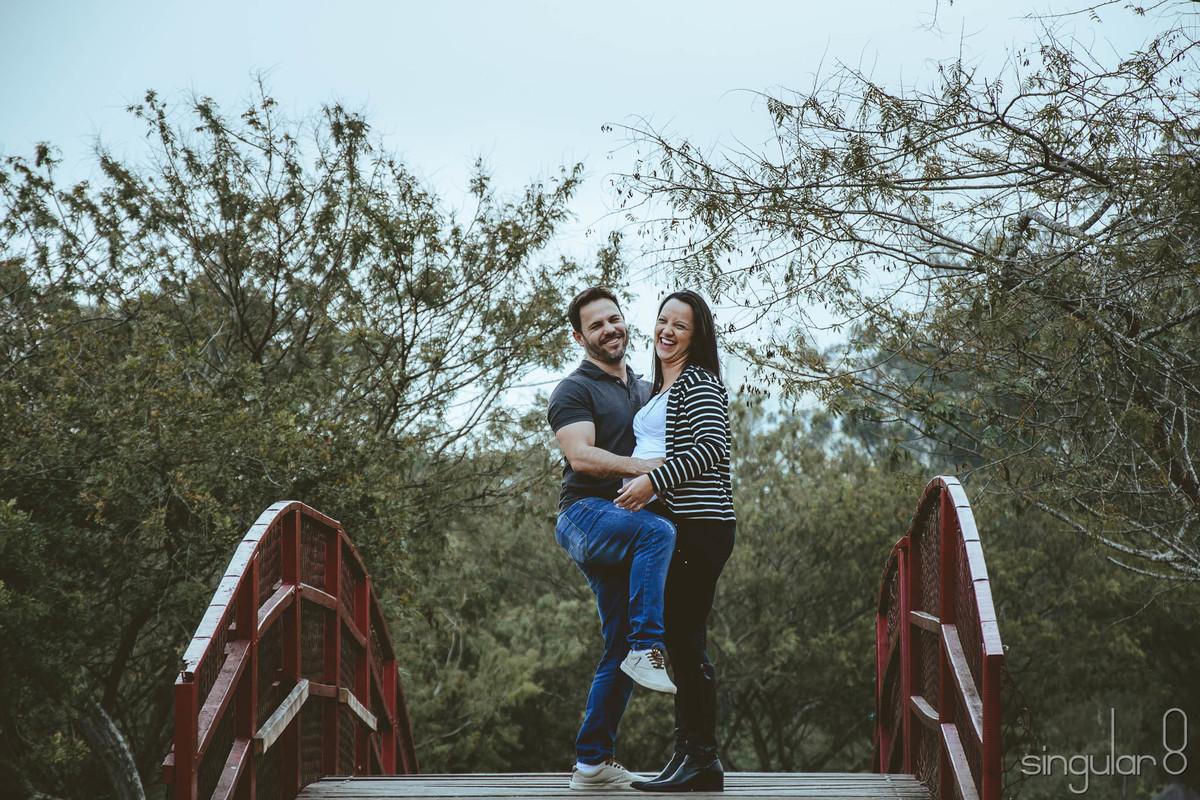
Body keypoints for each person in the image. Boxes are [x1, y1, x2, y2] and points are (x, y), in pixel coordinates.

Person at [548, 286, 679, 791]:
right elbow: (580, 455)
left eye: (615, 319)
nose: (610, 330)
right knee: (657, 532)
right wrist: (643, 468)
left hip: (624, 523)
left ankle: (592, 763)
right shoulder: (574, 390)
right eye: (597, 325)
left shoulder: (646, 389)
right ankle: (649, 647)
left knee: (617, 644)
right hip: (584, 516)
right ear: (580, 337)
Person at [615, 290, 736, 793]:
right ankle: (687, 755)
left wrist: (653, 482)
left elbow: (711, 447)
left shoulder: (700, 382)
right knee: (682, 641)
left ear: (697, 334)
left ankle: (702, 759)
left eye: (679, 325)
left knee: (686, 642)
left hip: (699, 526)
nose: (666, 330)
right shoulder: (659, 389)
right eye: (661, 320)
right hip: (675, 526)